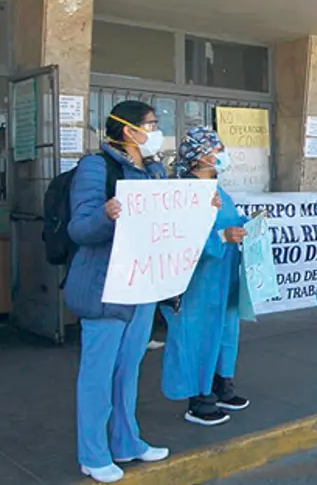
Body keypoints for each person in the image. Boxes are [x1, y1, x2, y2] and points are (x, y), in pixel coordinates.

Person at [65, 101, 169, 483]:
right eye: (152, 124)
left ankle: (127, 441)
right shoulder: (97, 167)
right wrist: (106, 215)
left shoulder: (154, 169)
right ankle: (93, 455)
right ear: (128, 129)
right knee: (98, 373)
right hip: (105, 287)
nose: (156, 131)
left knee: (129, 368)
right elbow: (80, 228)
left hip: (142, 284)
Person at [160, 127, 250, 427]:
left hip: (223, 277)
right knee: (195, 338)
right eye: (217, 149)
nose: (222, 154)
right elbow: (178, 238)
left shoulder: (217, 189)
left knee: (225, 333)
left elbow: (228, 221)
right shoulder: (182, 192)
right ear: (200, 155)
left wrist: (248, 226)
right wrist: (221, 237)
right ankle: (198, 400)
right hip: (196, 282)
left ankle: (222, 386)